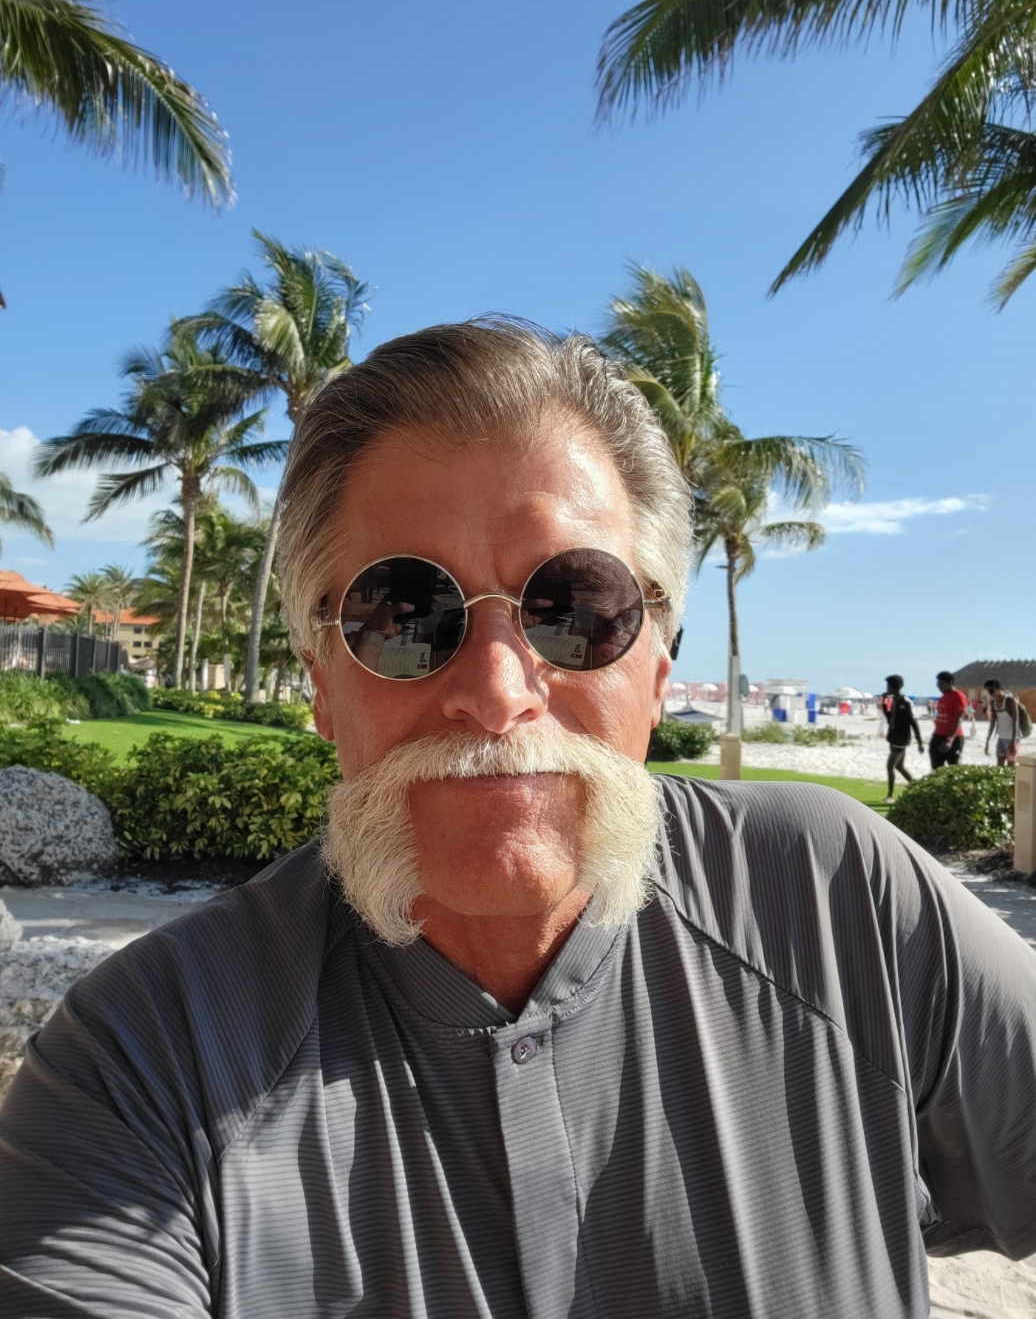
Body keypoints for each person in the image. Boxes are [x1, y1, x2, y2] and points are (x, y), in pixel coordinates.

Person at [2, 320, 1035, 1319]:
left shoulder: (840, 900)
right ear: (321, 682)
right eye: (403, 614)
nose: (497, 693)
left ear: (656, 666)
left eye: (577, 608)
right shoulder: (146, 1058)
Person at [880, 674, 924, 802]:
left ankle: (890, 795)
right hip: (894, 737)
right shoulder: (895, 701)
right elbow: (890, 719)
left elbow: (913, 722)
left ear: (893, 687)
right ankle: (918, 788)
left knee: (890, 766)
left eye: (888, 686)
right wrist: (883, 704)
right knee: (899, 767)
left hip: (901, 739)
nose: (887, 688)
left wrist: (920, 742)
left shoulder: (905, 702)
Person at [930, 670, 968, 768]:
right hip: (938, 736)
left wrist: (949, 740)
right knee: (936, 769)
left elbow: (958, 719)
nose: (938, 687)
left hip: (953, 738)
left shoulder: (959, 697)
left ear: (950, 682)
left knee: (953, 769)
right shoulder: (942, 698)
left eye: (940, 684)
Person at [984, 677, 1021, 767]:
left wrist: (1013, 742)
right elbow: (993, 722)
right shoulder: (993, 702)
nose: (990, 694)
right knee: (999, 767)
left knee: (1010, 767)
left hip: (1013, 739)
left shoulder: (1010, 701)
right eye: (989, 692)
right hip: (1001, 738)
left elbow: (1015, 722)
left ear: (999, 688)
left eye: (992, 691)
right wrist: (987, 741)